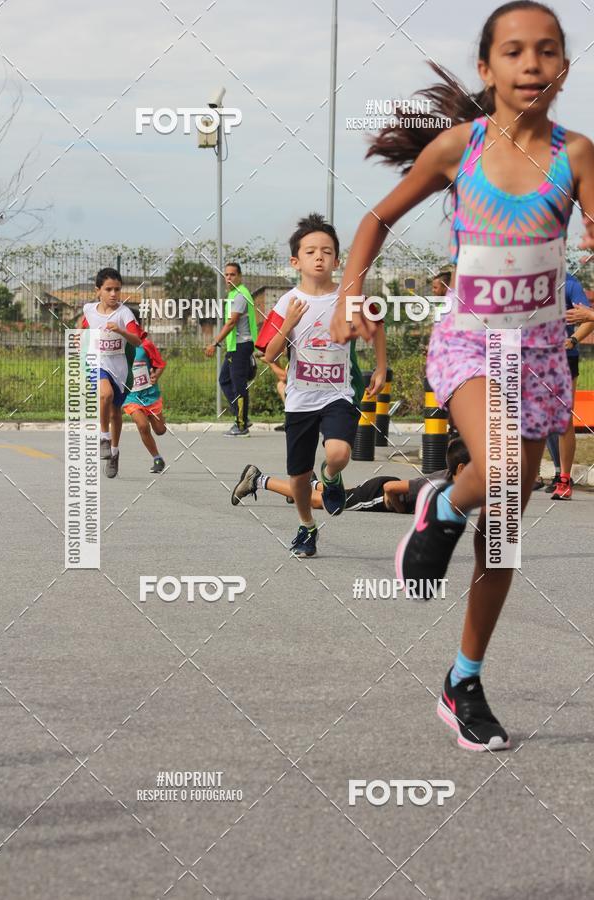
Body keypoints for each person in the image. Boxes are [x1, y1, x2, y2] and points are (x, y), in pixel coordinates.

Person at [330, 2, 594, 750]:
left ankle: (463, 679)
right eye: (514, 52)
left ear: (564, 69)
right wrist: (352, 292)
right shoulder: (460, 148)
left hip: (540, 354)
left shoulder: (578, 155)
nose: (532, 64)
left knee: (505, 529)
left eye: (547, 51)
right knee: (502, 467)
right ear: (488, 69)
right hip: (470, 343)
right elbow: (378, 218)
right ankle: (441, 505)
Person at [257, 212, 387, 558]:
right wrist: (290, 323)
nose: (319, 257)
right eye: (311, 251)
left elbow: (376, 321)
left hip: (338, 394)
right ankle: (306, 525)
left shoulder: (347, 296)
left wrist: (381, 367)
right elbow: (268, 353)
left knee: (339, 453)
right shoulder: (287, 302)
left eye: (326, 251)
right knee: (299, 478)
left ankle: (330, 477)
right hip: (300, 400)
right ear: (295, 260)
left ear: (337, 259)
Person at [231, 438, 470, 512]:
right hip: (379, 493)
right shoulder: (439, 483)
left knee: (341, 494)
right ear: (460, 469)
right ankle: (259, 479)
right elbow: (390, 490)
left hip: (379, 486)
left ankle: (313, 482)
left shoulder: (452, 480)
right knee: (319, 504)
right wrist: (399, 509)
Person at [533, 271, 593, 494]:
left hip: (564, 357)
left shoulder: (570, 284)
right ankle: (532, 473)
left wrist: (573, 339)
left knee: (564, 417)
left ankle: (564, 479)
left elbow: (589, 318)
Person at [82, 267, 142, 478]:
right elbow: (83, 329)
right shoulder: (88, 309)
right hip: (98, 363)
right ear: (98, 290)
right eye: (109, 289)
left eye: (117, 289)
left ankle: (114, 453)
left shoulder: (124, 313)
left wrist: (120, 331)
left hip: (121, 369)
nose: (114, 294)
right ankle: (103, 437)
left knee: (116, 413)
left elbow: (137, 340)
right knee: (104, 394)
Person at [205, 262, 258, 436]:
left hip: (242, 346)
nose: (228, 278)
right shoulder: (234, 294)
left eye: (232, 275)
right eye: (226, 275)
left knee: (238, 385)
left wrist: (214, 342)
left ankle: (241, 425)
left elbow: (231, 322)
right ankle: (242, 415)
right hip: (235, 346)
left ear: (240, 276)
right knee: (225, 379)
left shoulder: (240, 295)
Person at [122, 335, 168, 474]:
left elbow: (160, 364)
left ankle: (148, 414)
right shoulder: (118, 346)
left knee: (160, 430)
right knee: (142, 425)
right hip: (131, 396)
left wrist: (156, 375)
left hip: (150, 394)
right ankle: (157, 458)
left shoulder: (146, 345)